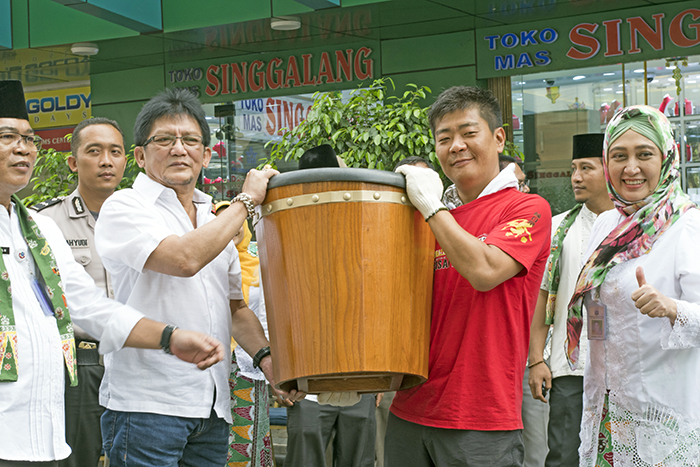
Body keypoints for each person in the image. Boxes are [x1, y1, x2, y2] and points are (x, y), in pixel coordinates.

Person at [0, 81, 224, 466]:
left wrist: (169, 337)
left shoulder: (39, 229)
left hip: (41, 431)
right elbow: (184, 259)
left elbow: (88, 306)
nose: (22, 148)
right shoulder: (100, 211)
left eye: (28, 138)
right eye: (7, 136)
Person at [93, 87, 303, 467]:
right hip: (145, 409)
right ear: (140, 155)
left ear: (206, 154)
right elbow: (184, 258)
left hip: (212, 410)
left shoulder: (213, 218)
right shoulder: (124, 206)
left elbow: (235, 308)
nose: (178, 149)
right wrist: (246, 202)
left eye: (190, 140)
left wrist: (270, 363)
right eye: (164, 140)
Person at [388, 85, 552, 467]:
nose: (456, 146)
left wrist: (429, 207)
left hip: (480, 417)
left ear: (498, 138)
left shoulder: (527, 208)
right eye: (444, 138)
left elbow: (485, 271)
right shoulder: (425, 216)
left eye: (468, 132)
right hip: (409, 409)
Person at [566, 105, 700, 467]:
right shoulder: (608, 222)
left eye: (644, 154)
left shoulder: (686, 225)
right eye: (618, 156)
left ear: (666, 157)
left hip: (660, 414)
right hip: (606, 406)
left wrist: (673, 308)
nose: (631, 168)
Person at [31, 117, 127, 467]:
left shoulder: (143, 218)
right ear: (73, 162)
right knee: (78, 458)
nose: (106, 160)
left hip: (137, 358)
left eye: (115, 152)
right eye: (94, 151)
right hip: (80, 362)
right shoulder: (46, 222)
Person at [283, 144, 377, 467]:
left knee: (359, 459)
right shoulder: (288, 227)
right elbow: (277, 306)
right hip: (308, 382)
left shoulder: (363, 222)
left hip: (359, 374)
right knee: (305, 460)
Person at [527, 133, 613, 467]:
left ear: (609, 171)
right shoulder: (558, 228)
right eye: (573, 168)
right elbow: (542, 295)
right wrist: (537, 359)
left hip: (622, 370)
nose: (576, 177)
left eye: (586, 168)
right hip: (570, 368)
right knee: (563, 457)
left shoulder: (633, 226)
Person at [214, 200, 274, 467]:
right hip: (216, 363)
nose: (233, 227)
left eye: (238, 221)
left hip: (250, 363)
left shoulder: (261, 260)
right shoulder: (208, 262)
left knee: (249, 433)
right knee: (215, 439)